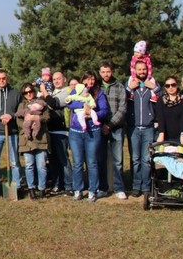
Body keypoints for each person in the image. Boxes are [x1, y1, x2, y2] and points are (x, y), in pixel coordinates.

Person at [68, 71, 109, 202]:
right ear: (83, 80)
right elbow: (69, 102)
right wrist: (82, 105)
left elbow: (104, 110)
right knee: (77, 163)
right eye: (87, 79)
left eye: (92, 79)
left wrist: (90, 113)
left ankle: (92, 190)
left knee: (92, 162)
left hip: (92, 132)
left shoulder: (99, 93)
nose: (90, 82)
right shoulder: (77, 89)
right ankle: (78, 190)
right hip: (76, 132)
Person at [125, 61, 161, 198]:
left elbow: (162, 97)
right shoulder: (130, 84)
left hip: (148, 128)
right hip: (133, 127)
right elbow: (122, 97)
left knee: (146, 159)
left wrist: (154, 88)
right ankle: (136, 186)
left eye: (144, 69)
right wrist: (129, 88)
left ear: (148, 70)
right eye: (139, 69)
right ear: (135, 70)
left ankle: (146, 186)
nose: (141, 72)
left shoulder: (153, 84)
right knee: (135, 159)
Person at [98, 62, 128, 199]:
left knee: (118, 160)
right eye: (103, 72)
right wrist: (101, 125)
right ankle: (103, 187)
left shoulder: (119, 87)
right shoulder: (96, 87)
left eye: (108, 71)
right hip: (99, 127)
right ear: (100, 73)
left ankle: (119, 188)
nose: (106, 74)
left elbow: (123, 108)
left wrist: (109, 125)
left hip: (116, 128)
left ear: (112, 71)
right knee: (101, 159)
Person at [40, 71, 73, 195]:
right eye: (54, 79)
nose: (56, 81)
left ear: (65, 79)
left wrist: (44, 91)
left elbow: (53, 103)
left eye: (59, 78)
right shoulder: (53, 92)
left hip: (61, 130)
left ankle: (69, 185)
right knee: (53, 159)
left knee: (63, 159)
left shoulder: (67, 91)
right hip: (50, 130)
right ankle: (57, 184)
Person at [17, 83, 50, 200]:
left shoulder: (41, 103)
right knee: (29, 165)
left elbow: (47, 117)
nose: (28, 94)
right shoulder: (21, 105)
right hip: (27, 140)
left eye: (30, 91)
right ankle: (31, 188)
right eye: (26, 92)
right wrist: (28, 126)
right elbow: (18, 121)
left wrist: (36, 118)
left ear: (34, 91)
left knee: (41, 166)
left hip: (41, 138)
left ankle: (42, 189)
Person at [155, 76, 183, 147]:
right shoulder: (161, 100)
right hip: (165, 136)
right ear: (165, 88)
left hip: (180, 136)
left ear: (177, 85)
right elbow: (161, 118)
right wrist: (161, 134)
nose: (170, 87)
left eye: (173, 85)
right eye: (167, 86)